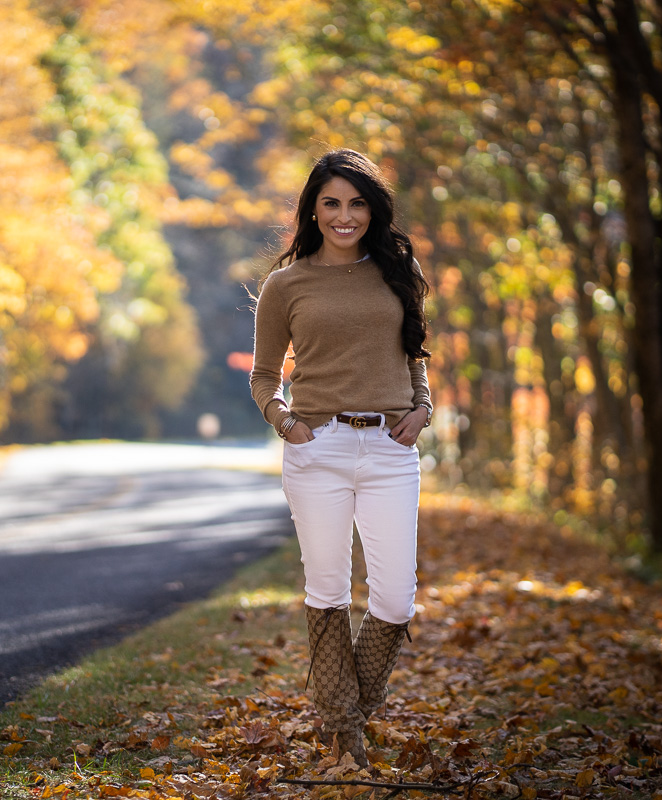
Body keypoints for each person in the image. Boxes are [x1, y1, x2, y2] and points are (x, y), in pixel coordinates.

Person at [249, 149, 432, 768]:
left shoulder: (396, 272)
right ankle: (343, 732)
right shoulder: (287, 284)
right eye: (331, 203)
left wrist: (423, 407)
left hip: (389, 449)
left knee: (395, 600)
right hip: (318, 450)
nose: (344, 215)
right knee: (327, 591)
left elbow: (414, 352)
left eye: (357, 203)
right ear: (313, 210)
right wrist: (287, 425)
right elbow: (265, 377)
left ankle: (351, 707)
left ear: (372, 209)